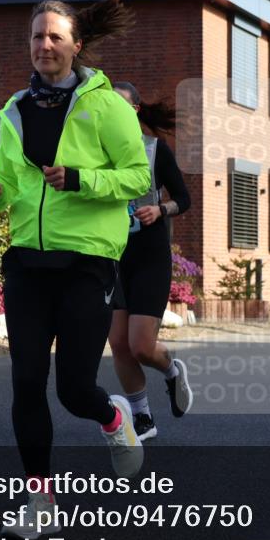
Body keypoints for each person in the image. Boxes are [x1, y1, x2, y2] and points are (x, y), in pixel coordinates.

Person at [0, 0, 151, 539]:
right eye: (36, 38)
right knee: (27, 382)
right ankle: (40, 500)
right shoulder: (13, 110)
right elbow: (7, 184)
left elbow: (138, 177)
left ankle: (113, 417)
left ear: (76, 45)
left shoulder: (106, 106)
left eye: (55, 37)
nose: (44, 46)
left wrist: (81, 179)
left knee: (75, 389)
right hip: (28, 260)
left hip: (87, 262)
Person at [107, 81, 193, 441]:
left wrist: (160, 210)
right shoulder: (95, 153)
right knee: (119, 344)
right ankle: (142, 416)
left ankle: (171, 369)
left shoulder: (155, 150)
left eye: (123, 107)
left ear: (136, 111)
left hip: (150, 256)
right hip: (112, 255)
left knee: (141, 346)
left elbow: (184, 199)